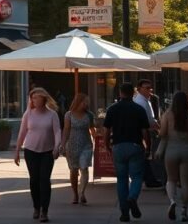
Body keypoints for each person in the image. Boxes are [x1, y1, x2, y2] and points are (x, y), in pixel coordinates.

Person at [103, 83, 151, 222]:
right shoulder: (139, 109)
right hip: (135, 146)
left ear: (120, 92)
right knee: (137, 176)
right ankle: (132, 197)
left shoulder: (112, 109)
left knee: (122, 179)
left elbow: (107, 130)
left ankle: (124, 213)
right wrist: (148, 147)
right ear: (133, 93)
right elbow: (145, 131)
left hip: (118, 146)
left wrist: (107, 145)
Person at [14, 87, 62, 223]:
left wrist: (57, 146)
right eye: (32, 98)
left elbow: (57, 131)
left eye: (36, 97)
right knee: (34, 180)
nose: (33, 100)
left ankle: (44, 211)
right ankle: (36, 206)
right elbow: (22, 133)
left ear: (43, 98)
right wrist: (17, 151)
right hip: (31, 151)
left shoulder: (52, 114)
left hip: (47, 152)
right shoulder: (28, 114)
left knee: (44, 180)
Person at [159, 91, 188, 222]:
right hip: (187, 150)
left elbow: (162, 133)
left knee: (171, 180)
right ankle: (184, 211)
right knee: (185, 182)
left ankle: (172, 201)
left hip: (172, 150)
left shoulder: (167, 115)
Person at [61, 92, 95, 206]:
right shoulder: (69, 115)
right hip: (72, 145)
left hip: (86, 145)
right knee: (74, 171)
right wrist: (62, 144)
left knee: (84, 168)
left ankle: (82, 193)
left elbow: (92, 130)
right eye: (85, 102)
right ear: (78, 102)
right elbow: (66, 130)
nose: (86, 104)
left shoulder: (89, 115)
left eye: (87, 102)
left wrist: (98, 138)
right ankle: (75, 194)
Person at [132, 79, 163, 188]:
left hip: (148, 131)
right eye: (147, 88)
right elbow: (147, 120)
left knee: (146, 156)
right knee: (146, 155)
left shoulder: (146, 100)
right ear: (139, 89)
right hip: (144, 132)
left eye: (150, 88)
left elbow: (151, 118)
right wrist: (157, 127)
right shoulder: (140, 102)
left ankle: (149, 178)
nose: (149, 90)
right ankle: (148, 179)